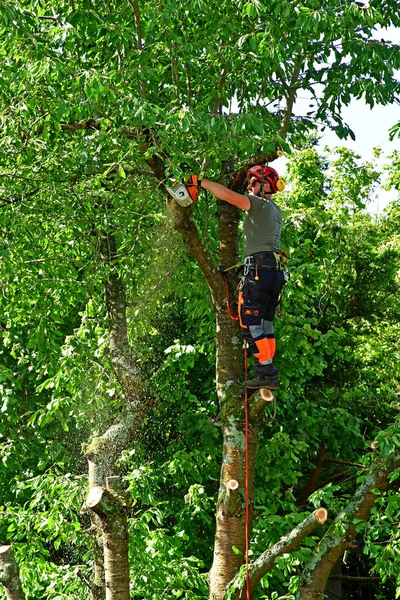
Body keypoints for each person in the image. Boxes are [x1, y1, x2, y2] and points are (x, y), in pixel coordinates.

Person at [189, 166, 285, 390]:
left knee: (251, 324)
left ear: (266, 186)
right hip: (273, 273)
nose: (249, 187)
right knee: (266, 324)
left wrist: (200, 182)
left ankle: (265, 371)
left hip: (259, 272)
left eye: (253, 183)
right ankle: (267, 367)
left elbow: (228, 196)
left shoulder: (259, 204)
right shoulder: (275, 210)